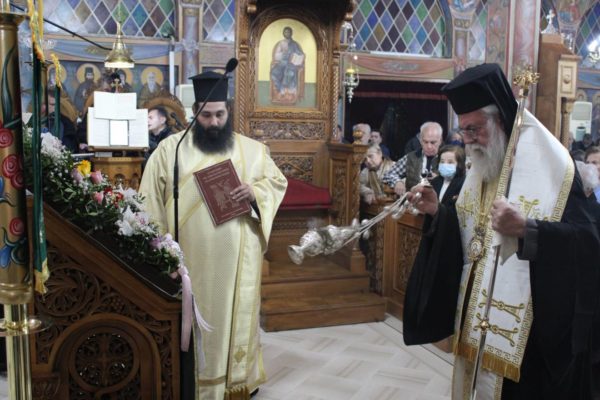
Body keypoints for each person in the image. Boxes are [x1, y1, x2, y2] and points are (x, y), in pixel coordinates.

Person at [403, 63, 600, 399]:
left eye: (475, 129)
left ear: (501, 122)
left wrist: (528, 230)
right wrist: (438, 213)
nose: (468, 140)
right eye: (463, 130)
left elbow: (588, 240)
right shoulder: (483, 166)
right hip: (476, 326)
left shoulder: (554, 168)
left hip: (529, 341)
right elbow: (471, 241)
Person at [139, 70, 287, 399]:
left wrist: (254, 192)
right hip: (189, 264)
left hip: (236, 265)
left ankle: (235, 383)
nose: (214, 122)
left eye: (220, 114)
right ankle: (192, 384)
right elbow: (149, 202)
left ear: (228, 111)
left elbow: (276, 183)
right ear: (194, 113)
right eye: (206, 115)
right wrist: (161, 254)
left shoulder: (252, 150)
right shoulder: (170, 150)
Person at [382, 121, 443, 196]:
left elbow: (455, 181)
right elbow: (388, 174)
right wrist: (397, 182)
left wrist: (439, 179)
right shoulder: (411, 157)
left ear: (440, 141)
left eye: (433, 142)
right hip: (413, 200)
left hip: (439, 201)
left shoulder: (447, 157)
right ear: (420, 140)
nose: (429, 146)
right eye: (425, 142)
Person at [270, 26, 304, 104]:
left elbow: (300, 54)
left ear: (291, 33)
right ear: (283, 33)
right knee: (274, 72)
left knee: (289, 72)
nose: (287, 33)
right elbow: (276, 55)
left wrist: (295, 56)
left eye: (288, 32)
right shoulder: (281, 43)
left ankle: (289, 93)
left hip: (292, 63)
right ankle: (280, 90)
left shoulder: (295, 44)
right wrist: (283, 53)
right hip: (282, 62)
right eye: (285, 32)